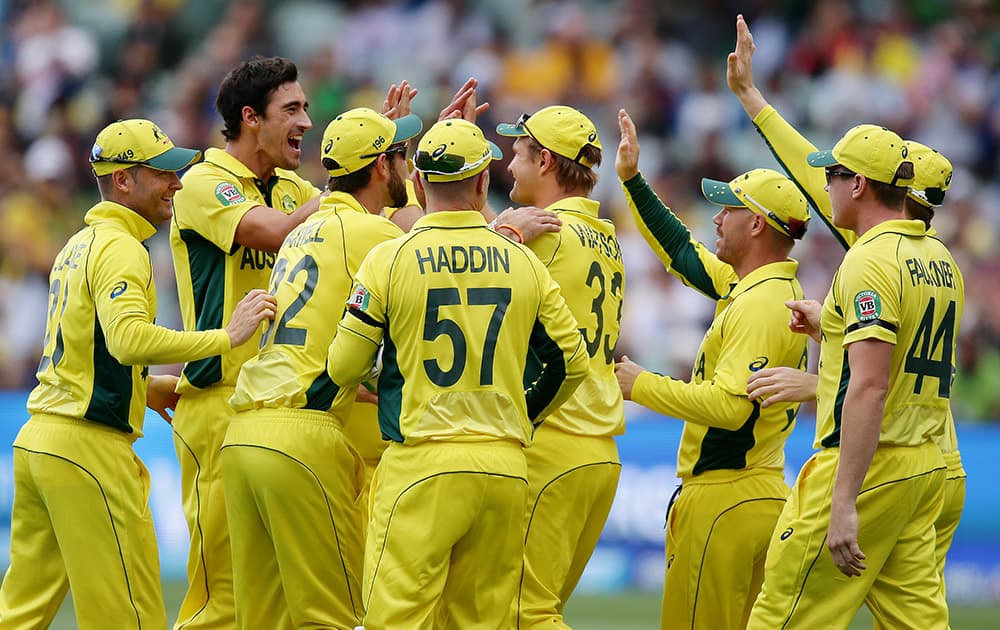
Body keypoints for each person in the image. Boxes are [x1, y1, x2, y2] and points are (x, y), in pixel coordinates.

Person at [0, 119, 276, 629]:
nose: (176, 183)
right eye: (162, 172)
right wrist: (226, 337)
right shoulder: (122, 247)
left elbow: (80, 349)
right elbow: (127, 341)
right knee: (131, 618)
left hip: (39, 442)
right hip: (89, 452)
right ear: (124, 181)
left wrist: (141, 389)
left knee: (20, 615)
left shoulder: (77, 244)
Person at [727, 13, 966, 599]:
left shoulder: (873, 255)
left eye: (838, 176)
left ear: (869, 185)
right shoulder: (938, 257)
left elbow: (871, 388)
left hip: (874, 458)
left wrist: (841, 500)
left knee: (782, 608)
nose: (827, 186)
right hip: (934, 458)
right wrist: (831, 337)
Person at [326, 118, 590, 629]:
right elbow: (571, 362)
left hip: (420, 465)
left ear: (419, 184)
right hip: (503, 466)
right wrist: (522, 412)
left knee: (396, 621)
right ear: (484, 183)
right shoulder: (522, 260)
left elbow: (343, 365)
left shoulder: (389, 257)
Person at [219, 106, 422, 629]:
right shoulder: (369, 233)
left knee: (263, 621)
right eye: (401, 158)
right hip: (302, 433)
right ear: (382, 167)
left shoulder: (301, 232)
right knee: (339, 618)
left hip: (242, 435)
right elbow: (436, 259)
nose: (407, 169)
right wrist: (502, 229)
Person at [613, 109, 810, 630]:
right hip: (759, 494)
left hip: (724, 499)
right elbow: (681, 249)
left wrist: (642, 386)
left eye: (728, 209)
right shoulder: (753, 285)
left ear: (758, 224)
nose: (716, 218)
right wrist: (633, 180)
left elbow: (729, 408)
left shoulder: (760, 303)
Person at [167, 55, 324, 630]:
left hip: (280, 408)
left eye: (305, 107)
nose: (307, 121)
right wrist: (344, 197)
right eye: (293, 109)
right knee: (222, 598)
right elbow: (277, 231)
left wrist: (388, 155)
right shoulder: (203, 182)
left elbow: (372, 215)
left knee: (277, 595)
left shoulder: (291, 186)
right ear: (251, 118)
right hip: (218, 404)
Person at [493, 105, 625, 628]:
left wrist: (503, 229)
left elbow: (463, 285)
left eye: (519, 153)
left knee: (526, 614)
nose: (508, 163)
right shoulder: (607, 235)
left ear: (545, 161)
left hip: (552, 441)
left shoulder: (542, 234)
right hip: (599, 449)